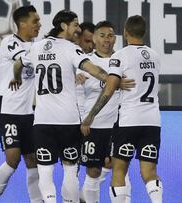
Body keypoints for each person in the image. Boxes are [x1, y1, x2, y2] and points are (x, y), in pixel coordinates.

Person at [12, 10, 135, 203]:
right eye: (75, 25)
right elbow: (95, 70)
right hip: (68, 121)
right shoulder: (70, 49)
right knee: (70, 171)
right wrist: (114, 81)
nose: (78, 29)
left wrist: (16, 77)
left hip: (42, 121)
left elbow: (18, 64)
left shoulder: (36, 48)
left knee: (45, 171)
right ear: (64, 26)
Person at [81, 15, 163, 203]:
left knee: (118, 170)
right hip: (152, 121)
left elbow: (108, 91)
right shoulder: (155, 56)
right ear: (144, 32)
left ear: (125, 33)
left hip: (128, 121)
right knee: (149, 173)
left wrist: (90, 116)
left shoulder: (120, 56)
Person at [0, 6, 42, 203]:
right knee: (13, 159)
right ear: (22, 23)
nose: (39, 25)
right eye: (35, 21)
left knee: (33, 160)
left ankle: (37, 201)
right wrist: (17, 74)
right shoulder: (9, 43)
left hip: (27, 113)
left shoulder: (37, 46)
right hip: (7, 111)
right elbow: (20, 62)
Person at [77, 21, 131, 203]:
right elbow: (76, 92)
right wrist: (83, 118)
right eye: (102, 35)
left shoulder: (123, 60)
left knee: (120, 169)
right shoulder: (85, 63)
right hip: (94, 125)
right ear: (93, 38)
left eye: (110, 35)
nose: (107, 40)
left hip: (118, 126)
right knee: (93, 172)